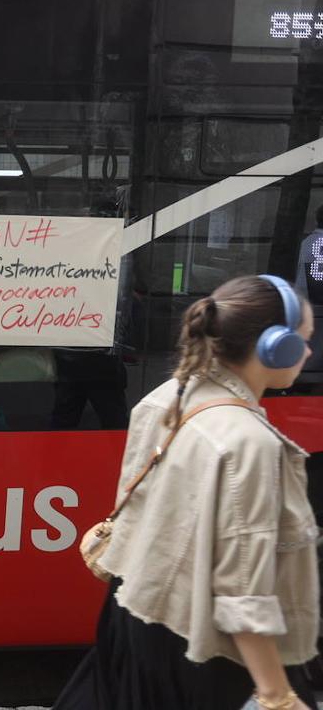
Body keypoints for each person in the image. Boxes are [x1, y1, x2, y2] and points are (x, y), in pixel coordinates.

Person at [54, 274, 318, 710]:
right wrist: (276, 693)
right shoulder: (250, 444)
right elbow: (242, 595)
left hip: (132, 617)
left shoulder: (167, 396)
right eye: (304, 339)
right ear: (275, 346)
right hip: (202, 651)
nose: (308, 351)